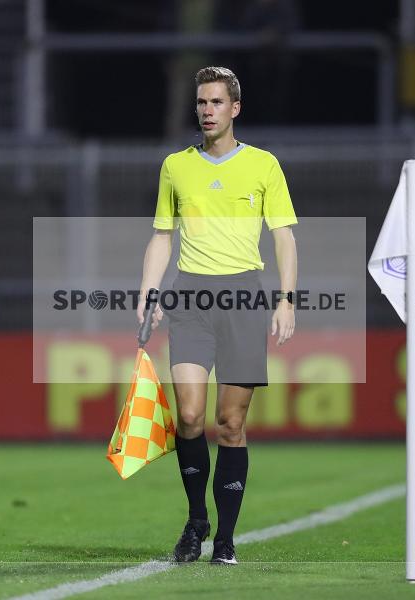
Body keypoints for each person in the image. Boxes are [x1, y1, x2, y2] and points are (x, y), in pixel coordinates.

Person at [137, 66, 298, 563]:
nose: (206, 110)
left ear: (235, 109)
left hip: (243, 297)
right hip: (190, 298)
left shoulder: (264, 165)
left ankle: (224, 537)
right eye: (201, 103)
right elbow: (163, 235)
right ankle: (195, 520)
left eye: (216, 102)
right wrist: (149, 291)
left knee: (230, 422)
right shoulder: (175, 166)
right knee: (188, 415)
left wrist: (287, 298)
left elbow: (284, 236)